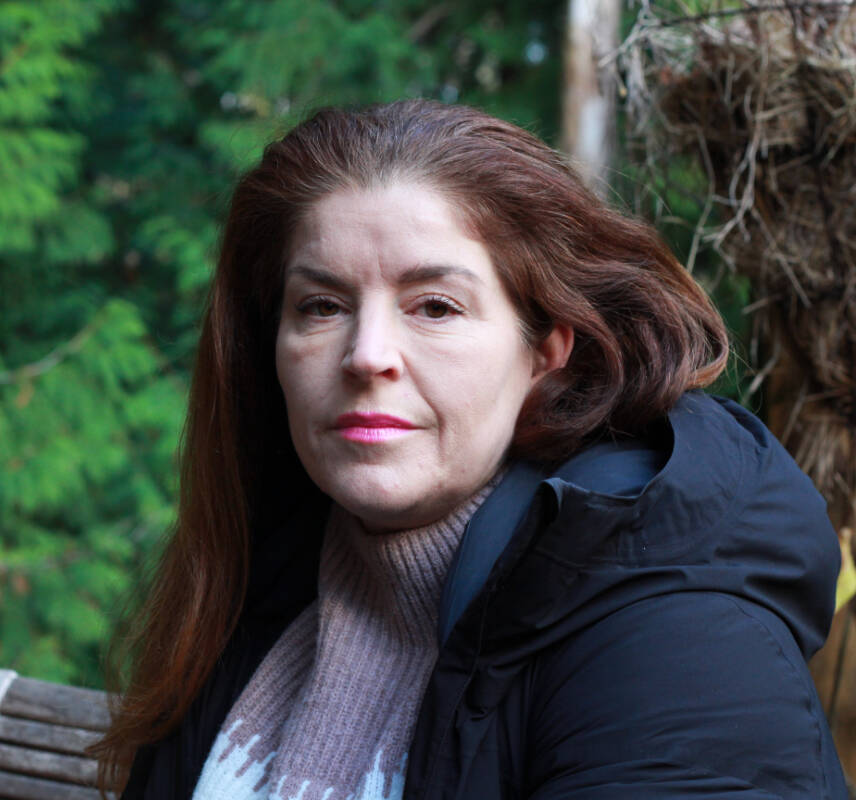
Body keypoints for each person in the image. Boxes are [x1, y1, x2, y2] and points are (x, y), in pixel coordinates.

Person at [93, 100, 846, 799]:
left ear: (547, 351)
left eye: (436, 306)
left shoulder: (673, 641)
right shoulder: (257, 590)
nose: (367, 355)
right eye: (321, 306)